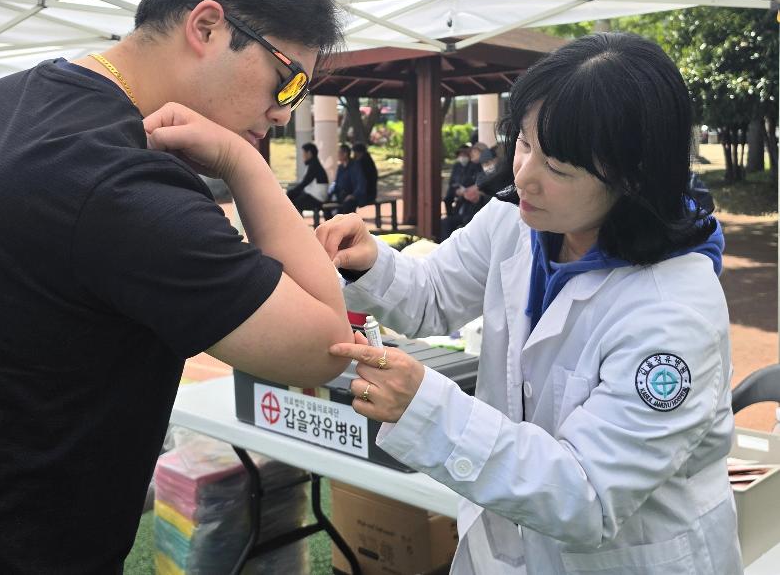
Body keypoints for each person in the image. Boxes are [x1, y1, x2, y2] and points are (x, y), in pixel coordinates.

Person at [0, 0, 353, 574]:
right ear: (207, 27)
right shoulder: (119, 180)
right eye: (287, 81)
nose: (282, 112)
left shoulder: (1, 102)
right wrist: (241, 162)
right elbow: (327, 343)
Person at [316, 32, 740, 575]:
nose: (523, 177)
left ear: (632, 178)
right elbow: (434, 295)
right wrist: (369, 263)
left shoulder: (674, 314)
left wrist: (428, 409)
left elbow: (587, 496)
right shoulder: (517, 221)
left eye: (558, 169)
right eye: (523, 144)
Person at [287, 141, 329, 211]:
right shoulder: (313, 164)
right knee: (292, 196)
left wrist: (292, 192)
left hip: (317, 198)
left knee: (293, 199)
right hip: (314, 195)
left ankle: (294, 218)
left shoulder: (314, 166)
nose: (303, 156)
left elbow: (305, 182)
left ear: (309, 153)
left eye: (304, 153)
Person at [338, 141, 378, 214]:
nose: (354, 155)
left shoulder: (362, 162)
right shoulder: (344, 166)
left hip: (366, 192)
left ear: (359, 152)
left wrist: (354, 195)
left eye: (355, 153)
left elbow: (362, 182)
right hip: (364, 191)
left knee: (348, 204)